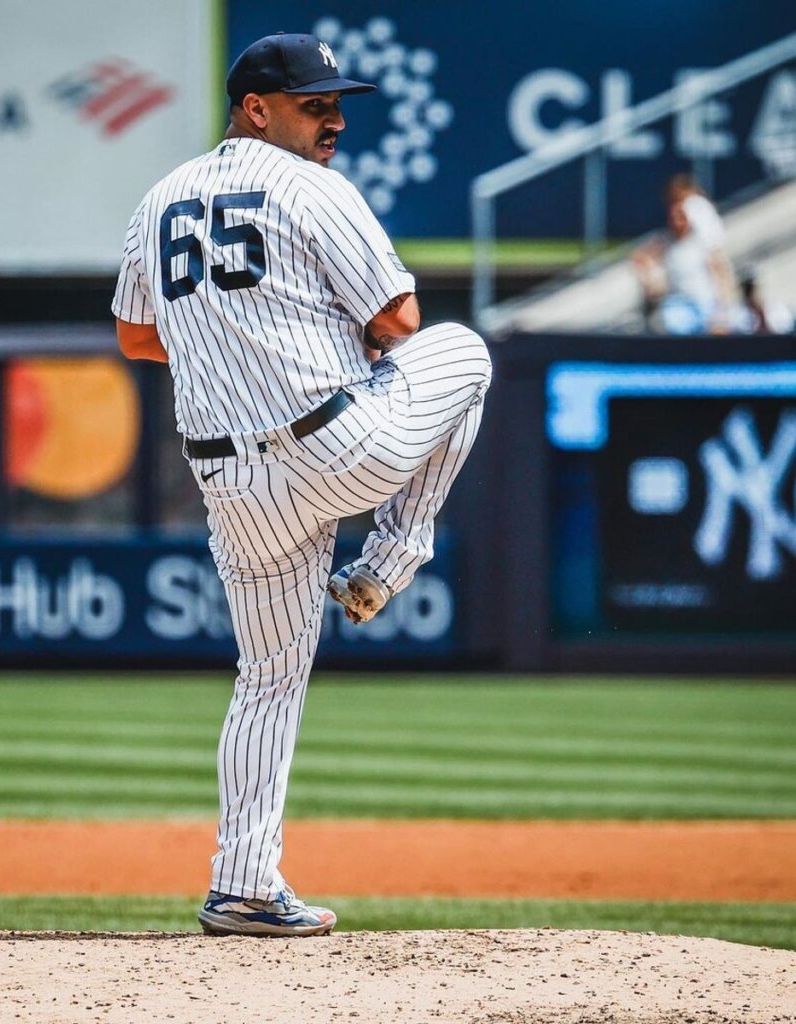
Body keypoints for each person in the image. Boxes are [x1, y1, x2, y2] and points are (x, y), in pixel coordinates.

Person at [112, 32, 491, 937]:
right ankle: (389, 563)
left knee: (267, 677)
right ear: (255, 108)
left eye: (336, 102)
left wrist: (230, 337)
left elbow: (134, 337)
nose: (335, 118)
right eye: (315, 103)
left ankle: (241, 883)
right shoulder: (314, 188)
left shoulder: (158, 198)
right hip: (335, 448)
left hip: (231, 480)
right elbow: (401, 322)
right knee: (466, 353)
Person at [631, 175, 737, 335]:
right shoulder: (666, 242)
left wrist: (723, 311)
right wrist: (651, 282)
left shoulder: (704, 239)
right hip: (679, 307)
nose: (675, 218)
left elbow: (720, 270)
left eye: (681, 212)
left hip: (705, 304)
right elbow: (639, 258)